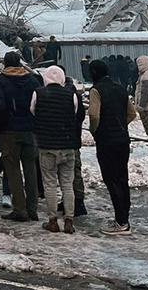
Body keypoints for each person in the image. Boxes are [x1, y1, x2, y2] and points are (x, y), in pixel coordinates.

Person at [88, 59, 136, 235]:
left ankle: (121, 222)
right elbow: (132, 113)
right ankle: (124, 218)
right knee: (122, 179)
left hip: (106, 141)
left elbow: (94, 115)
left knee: (111, 179)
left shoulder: (96, 90)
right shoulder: (120, 88)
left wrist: (96, 131)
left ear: (93, 73)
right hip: (123, 139)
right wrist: (120, 125)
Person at [0, 51, 41, 222]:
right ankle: (32, 208)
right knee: (31, 170)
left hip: (10, 132)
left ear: (5, 64)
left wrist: (0, 127)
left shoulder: (1, 81)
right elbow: (39, 103)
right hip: (30, 131)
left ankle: (20, 209)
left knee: (12, 170)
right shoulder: (31, 80)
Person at [30, 66, 78, 234]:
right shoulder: (71, 95)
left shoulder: (38, 93)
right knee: (67, 184)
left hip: (47, 145)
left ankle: (52, 221)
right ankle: (69, 220)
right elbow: (75, 113)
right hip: (67, 144)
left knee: (49, 184)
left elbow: (33, 111)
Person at [62, 68, 88, 217]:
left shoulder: (67, 95)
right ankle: (73, 200)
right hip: (74, 138)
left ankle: (77, 201)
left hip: (67, 139)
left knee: (70, 172)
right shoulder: (75, 95)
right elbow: (81, 116)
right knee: (73, 171)